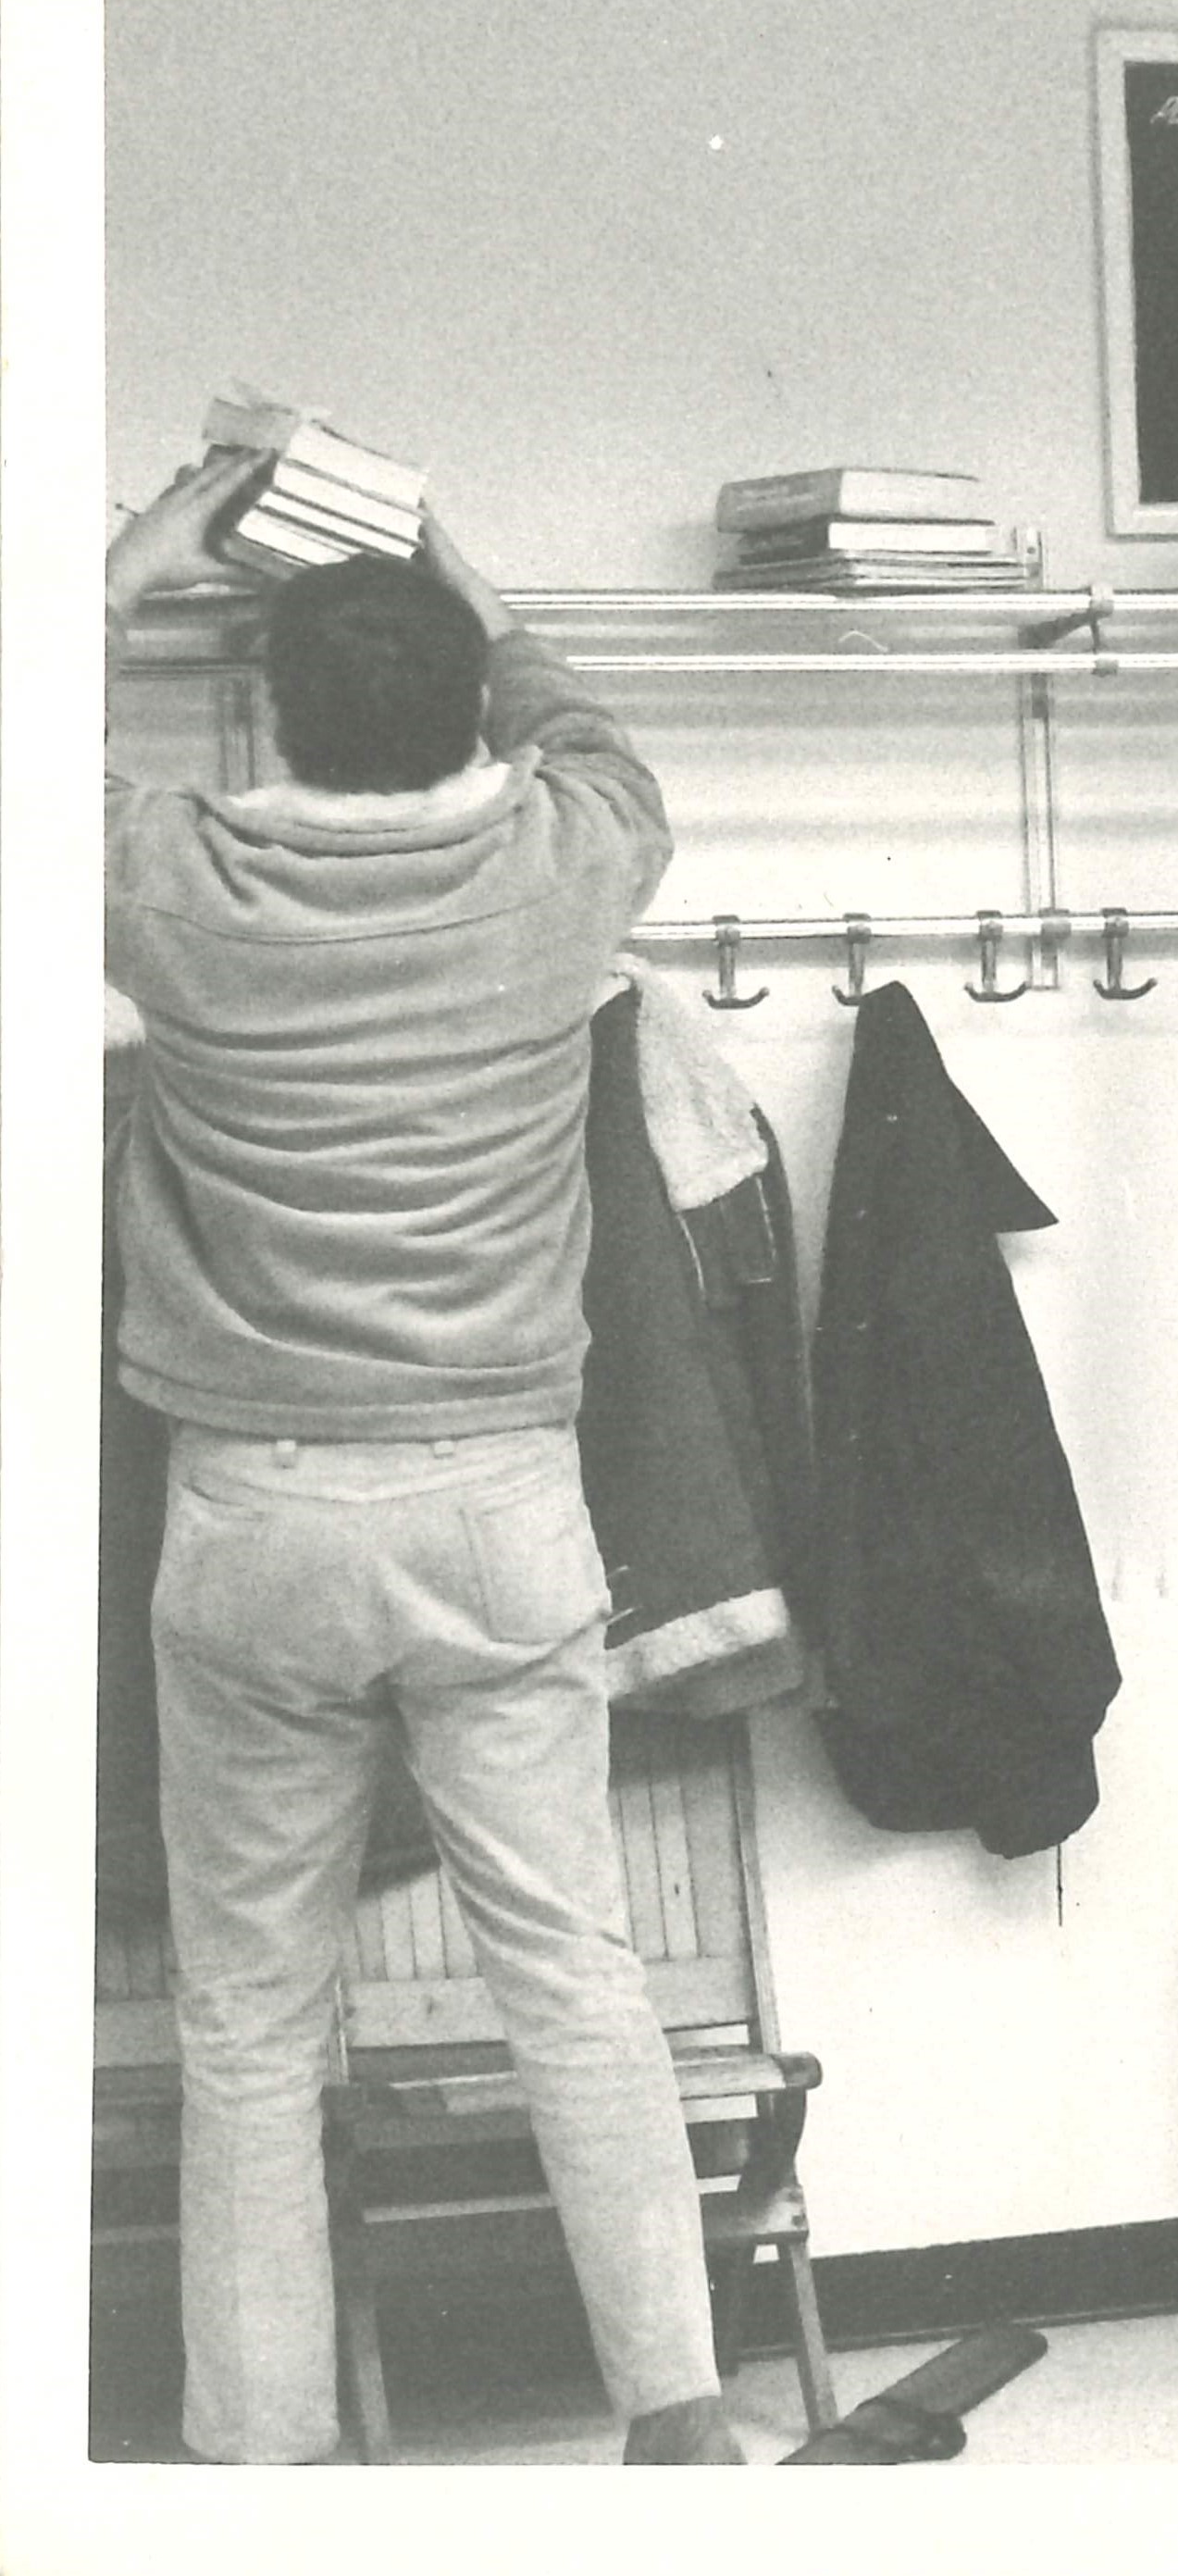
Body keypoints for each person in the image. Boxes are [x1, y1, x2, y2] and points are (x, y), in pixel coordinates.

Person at [104, 451, 743, 2464]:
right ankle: (684, 2413)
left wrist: (179, 521)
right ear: (467, 713)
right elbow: (590, 732)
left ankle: (259, 2464)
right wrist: (437, 542)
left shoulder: (171, 880)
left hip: (255, 1505)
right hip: (496, 1499)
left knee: (251, 2019)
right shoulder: (560, 863)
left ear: (270, 713)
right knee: (573, 1965)